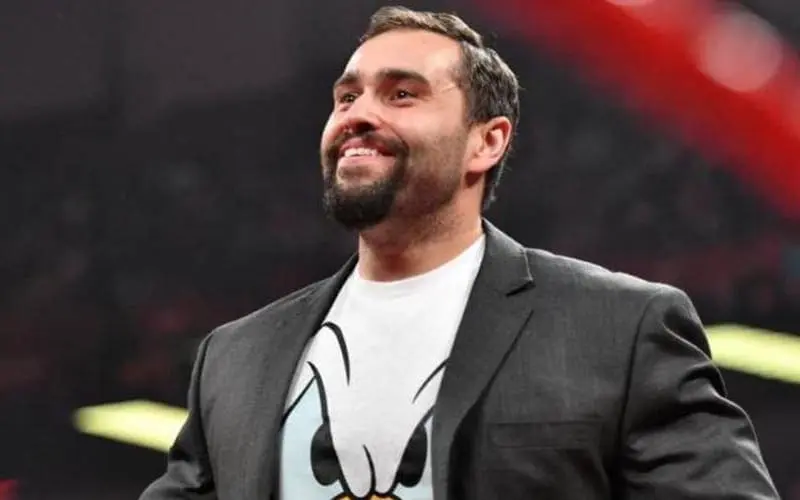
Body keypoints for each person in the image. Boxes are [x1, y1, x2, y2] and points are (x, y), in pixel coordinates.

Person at [140, 6, 779, 500]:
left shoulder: (619, 329)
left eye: (401, 94)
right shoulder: (236, 356)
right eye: (346, 97)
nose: (356, 115)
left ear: (487, 142)